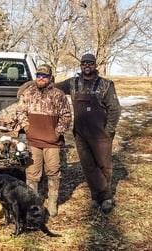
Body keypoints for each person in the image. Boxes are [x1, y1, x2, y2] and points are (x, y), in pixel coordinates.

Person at [55, 53, 121, 214]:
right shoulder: (73, 83)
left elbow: (115, 109)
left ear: (95, 65)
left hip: (100, 133)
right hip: (81, 133)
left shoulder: (105, 85)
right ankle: (96, 195)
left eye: (90, 63)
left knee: (104, 165)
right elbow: (53, 87)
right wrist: (32, 84)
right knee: (88, 166)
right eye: (84, 63)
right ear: (80, 66)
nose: (87, 66)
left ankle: (106, 198)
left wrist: (109, 130)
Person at [16, 64, 72, 217]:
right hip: (33, 141)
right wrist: (26, 127)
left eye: (44, 76)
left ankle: (52, 202)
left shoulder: (58, 95)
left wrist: (57, 132)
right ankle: (33, 203)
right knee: (32, 173)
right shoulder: (28, 92)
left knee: (53, 171)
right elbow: (20, 111)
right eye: (38, 75)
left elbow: (66, 116)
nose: (41, 78)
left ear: (50, 77)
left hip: (52, 142)